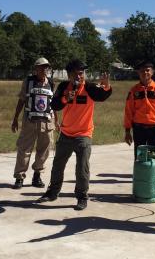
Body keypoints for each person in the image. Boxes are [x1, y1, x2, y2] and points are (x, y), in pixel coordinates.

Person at [37, 59, 112, 210]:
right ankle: (52, 192)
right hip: (66, 133)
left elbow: (102, 96)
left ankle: (82, 196)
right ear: (69, 75)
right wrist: (66, 98)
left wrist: (106, 84)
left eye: (82, 73)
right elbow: (54, 105)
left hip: (83, 135)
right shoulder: (64, 86)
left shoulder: (89, 87)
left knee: (82, 168)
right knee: (58, 165)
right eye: (76, 74)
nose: (80, 76)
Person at [124, 60, 155, 199]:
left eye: (148, 70)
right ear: (138, 72)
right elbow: (128, 111)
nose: (145, 72)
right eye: (143, 70)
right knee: (141, 159)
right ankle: (141, 187)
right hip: (139, 130)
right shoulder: (134, 91)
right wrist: (127, 131)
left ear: (152, 72)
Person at [11, 57, 57, 189]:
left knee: (44, 150)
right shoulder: (28, 82)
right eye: (41, 67)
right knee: (24, 149)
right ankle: (19, 177)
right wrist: (15, 119)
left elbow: (53, 104)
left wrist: (57, 121)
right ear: (35, 68)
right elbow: (21, 100)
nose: (44, 69)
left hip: (47, 122)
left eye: (46, 67)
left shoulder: (51, 83)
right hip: (30, 121)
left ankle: (37, 176)